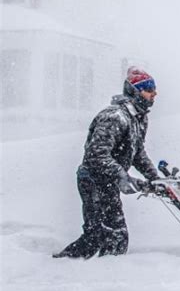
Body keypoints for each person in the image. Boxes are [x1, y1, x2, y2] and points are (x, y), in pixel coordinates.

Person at [53, 67, 159, 259]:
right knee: (112, 234)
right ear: (134, 91)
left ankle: (70, 265)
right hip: (93, 180)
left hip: (107, 180)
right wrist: (122, 176)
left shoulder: (137, 118)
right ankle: (105, 274)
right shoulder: (114, 117)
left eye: (154, 89)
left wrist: (155, 178)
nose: (154, 94)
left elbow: (137, 153)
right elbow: (96, 155)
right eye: (149, 88)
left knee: (97, 235)